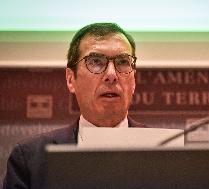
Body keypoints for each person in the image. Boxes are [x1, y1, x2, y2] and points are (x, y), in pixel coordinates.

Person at [3, 23, 145, 189]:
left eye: (123, 62)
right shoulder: (30, 159)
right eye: (96, 62)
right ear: (71, 79)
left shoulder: (166, 152)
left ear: (133, 80)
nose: (112, 75)